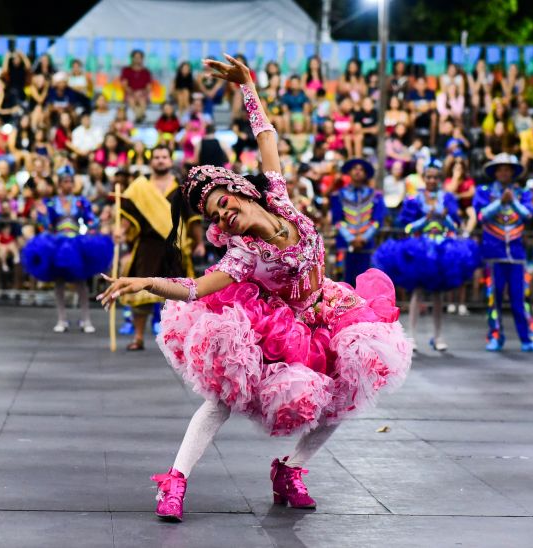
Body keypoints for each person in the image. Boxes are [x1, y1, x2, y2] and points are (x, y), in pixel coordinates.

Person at [97, 54, 411, 523]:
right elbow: (195, 288)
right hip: (280, 327)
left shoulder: (280, 199)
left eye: (223, 203)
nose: (222, 215)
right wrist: (146, 282)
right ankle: (175, 481)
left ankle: (292, 471)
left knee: (349, 388)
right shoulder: (244, 256)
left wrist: (248, 85)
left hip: (328, 308)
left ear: (241, 191)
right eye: (213, 215)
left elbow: (266, 136)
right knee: (221, 399)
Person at [374, 158, 478, 352]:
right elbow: (406, 227)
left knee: (438, 296)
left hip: (441, 251)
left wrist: (445, 218)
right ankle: (411, 336)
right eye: (429, 177)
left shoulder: (447, 199)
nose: (432, 180)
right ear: (424, 178)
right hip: (420, 249)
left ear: (440, 179)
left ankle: (438, 336)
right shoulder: (414, 200)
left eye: (436, 177)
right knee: (418, 292)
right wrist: (425, 220)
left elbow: (455, 226)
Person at [116, 145, 205, 351]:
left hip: (175, 246)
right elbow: (129, 215)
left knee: (181, 295)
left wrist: (199, 242)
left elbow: (192, 219)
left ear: (170, 160)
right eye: (157, 157)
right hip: (147, 246)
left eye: (164, 157)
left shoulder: (181, 188)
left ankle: (183, 340)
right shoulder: (139, 188)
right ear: (151, 161)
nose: (160, 160)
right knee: (141, 294)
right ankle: (138, 337)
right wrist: (121, 230)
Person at [21, 165, 113, 333]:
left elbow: (90, 221)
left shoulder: (80, 201)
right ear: (59, 183)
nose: (69, 184)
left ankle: (85, 319)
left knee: (81, 282)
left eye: (71, 181)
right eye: (65, 181)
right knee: (59, 282)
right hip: (57, 244)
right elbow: (46, 225)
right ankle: (62, 319)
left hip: (76, 244)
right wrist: (41, 215)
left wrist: (100, 221)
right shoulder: (51, 202)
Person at [473, 153, 533, 352]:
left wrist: (512, 201)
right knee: (494, 297)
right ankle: (495, 337)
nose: (504, 172)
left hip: (516, 255)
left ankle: (528, 339)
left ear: (513, 172)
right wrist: (500, 202)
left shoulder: (523, 193)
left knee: (521, 298)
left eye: (508, 169)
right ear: (495, 172)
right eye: (501, 169)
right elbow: (481, 216)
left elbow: (528, 215)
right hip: (493, 254)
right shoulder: (484, 191)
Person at [330, 158, 385, 285]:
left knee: (367, 282)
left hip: (367, 246)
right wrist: (351, 238)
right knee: (344, 284)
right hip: (345, 245)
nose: (358, 172)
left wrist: (363, 238)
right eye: (354, 169)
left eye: (361, 169)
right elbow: (337, 221)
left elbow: (377, 221)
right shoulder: (338, 195)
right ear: (349, 172)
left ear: (366, 174)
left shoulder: (376, 196)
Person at [120, 50, 152, 123]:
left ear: (142, 59)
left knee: (142, 101)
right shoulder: (126, 70)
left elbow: (148, 87)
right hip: (130, 94)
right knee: (131, 100)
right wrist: (133, 93)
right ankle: (140, 117)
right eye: (135, 57)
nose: (137, 59)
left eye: (139, 57)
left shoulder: (146, 72)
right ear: (132, 58)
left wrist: (141, 92)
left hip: (142, 94)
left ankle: (137, 118)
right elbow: (124, 85)